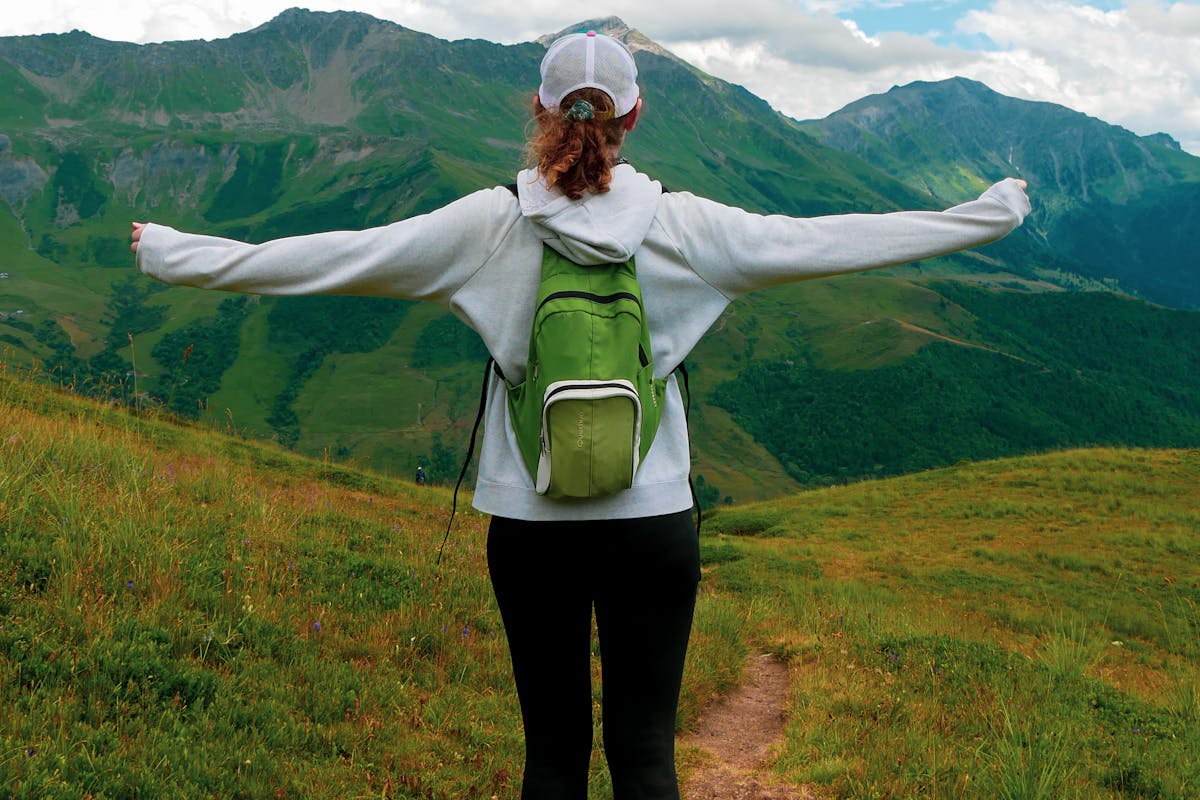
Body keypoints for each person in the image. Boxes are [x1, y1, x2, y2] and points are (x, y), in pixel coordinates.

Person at [131, 29, 1030, 800]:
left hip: (531, 525)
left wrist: (178, 254)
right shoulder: (684, 225)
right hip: (654, 521)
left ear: (539, 109)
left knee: (552, 758)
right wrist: (983, 217)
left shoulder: (489, 224)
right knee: (646, 755)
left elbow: (336, 257)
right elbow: (832, 239)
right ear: (633, 118)